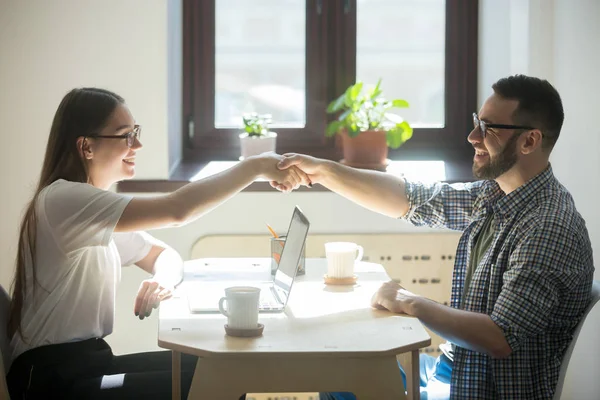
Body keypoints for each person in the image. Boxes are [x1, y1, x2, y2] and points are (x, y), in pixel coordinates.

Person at [277, 75, 595, 400]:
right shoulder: (494, 195)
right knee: (341, 371)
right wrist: (324, 171)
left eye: (489, 129)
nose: (473, 137)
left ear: (529, 142)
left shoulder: (548, 226)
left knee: (343, 385)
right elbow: (411, 198)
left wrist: (410, 301)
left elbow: (500, 337)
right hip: (454, 369)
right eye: (476, 123)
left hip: (480, 391)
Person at [6, 87, 310, 399]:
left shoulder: (94, 210)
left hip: (89, 363)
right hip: (51, 381)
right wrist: (254, 167)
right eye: (125, 135)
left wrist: (161, 279)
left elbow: (163, 254)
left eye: (135, 132)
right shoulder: (64, 201)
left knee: (219, 369)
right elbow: (177, 210)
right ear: (86, 147)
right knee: (214, 383)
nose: (137, 144)